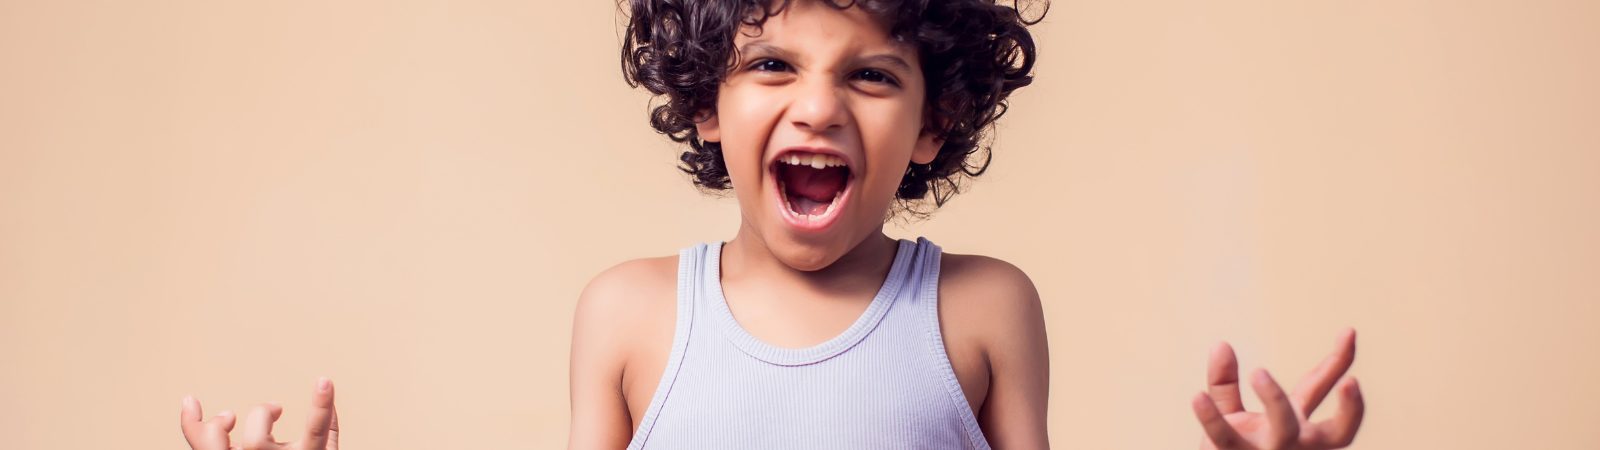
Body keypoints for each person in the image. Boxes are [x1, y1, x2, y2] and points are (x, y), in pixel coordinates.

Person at [178, 1, 1364, 449]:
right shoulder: (632, 314)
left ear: (937, 122)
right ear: (704, 97)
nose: (817, 104)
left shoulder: (980, 305)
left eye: (872, 75)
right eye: (772, 64)